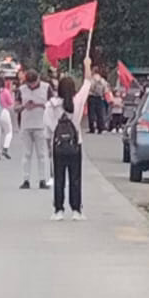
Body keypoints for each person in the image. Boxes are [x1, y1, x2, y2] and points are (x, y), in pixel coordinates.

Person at [48, 58, 94, 221]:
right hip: (75, 144)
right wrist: (86, 65)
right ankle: (76, 210)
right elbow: (88, 82)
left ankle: (58, 210)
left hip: (58, 145)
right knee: (75, 178)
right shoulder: (78, 101)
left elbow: (49, 127)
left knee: (59, 178)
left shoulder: (52, 104)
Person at [15, 70, 52, 190]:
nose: (31, 86)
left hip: (41, 124)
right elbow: (16, 107)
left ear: (38, 79)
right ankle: (26, 179)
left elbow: (53, 105)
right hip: (26, 125)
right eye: (29, 84)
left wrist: (40, 105)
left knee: (42, 154)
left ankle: (42, 179)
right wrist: (24, 106)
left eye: (33, 83)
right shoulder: (21, 90)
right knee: (26, 154)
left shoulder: (46, 88)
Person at [85, 67, 109, 134]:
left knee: (91, 113)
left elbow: (88, 88)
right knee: (100, 113)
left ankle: (92, 128)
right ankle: (100, 128)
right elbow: (106, 89)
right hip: (99, 97)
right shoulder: (102, 80)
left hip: (92, 97)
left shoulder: (91, 79)